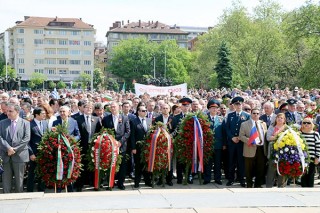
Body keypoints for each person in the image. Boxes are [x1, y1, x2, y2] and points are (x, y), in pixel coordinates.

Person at [0, 103, 31, 193]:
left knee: (19, 180)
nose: (8, 113)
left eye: (10, 111)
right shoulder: (2, 123)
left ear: (17, 111)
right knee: (6, 180)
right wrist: (8, 148)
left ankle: (19, 198)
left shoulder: (25, 123)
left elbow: (26, 139)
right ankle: (6, 198)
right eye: (7, 111)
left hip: (19, 155)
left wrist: (14, 149)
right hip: (5, 155)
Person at [102, 101, 130, 190]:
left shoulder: (124, 118)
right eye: (111, 107)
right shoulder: (106, 119)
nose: (112, 108)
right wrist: (111, 141)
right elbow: (104, 132)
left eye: (114, 107)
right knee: (111, 164)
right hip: (110, 145)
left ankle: (121, 183)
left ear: (119, 108)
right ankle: (111, 182)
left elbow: (128, 132)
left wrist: (120, 142)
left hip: (121, 146)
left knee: (122, 165)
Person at [75, 102, 101, 191]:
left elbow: (99, 133)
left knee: (93, 166)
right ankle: (80, 185)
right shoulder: (78, 119)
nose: (89, 109)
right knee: (81, 166)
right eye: (87, 107)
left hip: (93, 147)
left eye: (91, 107)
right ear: (83, 108)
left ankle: (95, 184)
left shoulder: (96, 119)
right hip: (82, 146)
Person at [225, 96, 250, 187]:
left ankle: (242, 179)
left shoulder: (247, 116)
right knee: (231, 161)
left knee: (241, 162)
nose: (238, 106)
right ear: (234, 106)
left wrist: (240, 137)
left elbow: (248, 129)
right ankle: (231, 179)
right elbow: (227, 128)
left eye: (239, 104)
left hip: (241, 142)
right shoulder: (230, 115)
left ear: (242, 104)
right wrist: (232, 137)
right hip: (232, 142)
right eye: (236, 104)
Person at [239, 108, 267, 188]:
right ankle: (249, 185)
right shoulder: (244, 124)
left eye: (257, 113)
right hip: (249, 148)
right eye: (254, 113)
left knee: (260, 168)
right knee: (249, 169)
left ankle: (258, 185)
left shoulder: (263, 124)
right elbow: (241, 136)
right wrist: (250, 141)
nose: (256, 115)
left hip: (261, 149)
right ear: (251, 114)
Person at [171, 97, 193, 184]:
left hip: (190, 141)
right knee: (179, 160)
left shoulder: (193, 117)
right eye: (184, 105)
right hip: (179, 142)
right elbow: (173, 130)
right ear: (181, 106)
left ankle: (189, 176)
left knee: (189, 160)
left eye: (187, 105)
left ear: (189, 106)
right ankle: (179, 177)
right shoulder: (176, 117)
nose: (185, 107)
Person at [203, 99, 225, 185]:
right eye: (212, 108)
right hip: (207, 145)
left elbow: (224, 133)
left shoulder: (221, 119)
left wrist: (224, 144)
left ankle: (217, 178)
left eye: (216, 108)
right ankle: (207, 178)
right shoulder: (204, 119)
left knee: (218, 163)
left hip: (218, 145)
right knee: (207, 163)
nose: (214, 110)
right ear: (209, 109)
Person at [131, 104, 152, 188]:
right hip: (138, 147)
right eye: (143, 111)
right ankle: (137, 182)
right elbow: (132, 136)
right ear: (138, 112)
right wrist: (133, 148)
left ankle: (147, 181)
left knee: (147, 165)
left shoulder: (149, 120)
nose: (145, 112)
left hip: (148, 147)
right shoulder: (134, 121)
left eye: (146, 111)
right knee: (138, 165)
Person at [27, 107, 48, 192]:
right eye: (42, 113)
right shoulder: (29, 124)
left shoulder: (45, 123)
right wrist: (31, 153)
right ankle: (30, 190)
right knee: (32, 172)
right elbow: (27, 141)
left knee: (42, 171)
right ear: (36, 114)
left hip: (43, 152)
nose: (44, 115)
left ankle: (41, 189)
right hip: (33, 153)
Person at [266, 113, 288, 187]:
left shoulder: (286, 128)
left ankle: (281, 186)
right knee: (271, 168)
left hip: (284, 151)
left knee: (282, 168)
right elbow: (268, 137)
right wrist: (280, 137)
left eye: (281, 118)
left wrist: (274, 136)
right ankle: (269, 186)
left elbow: (289, 138)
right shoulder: (271, 127)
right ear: (275, 119)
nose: (279, 119)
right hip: (273, 150)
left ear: (284, 120)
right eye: (278, 117)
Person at [154, 103, 174, 186]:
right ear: (161, 109)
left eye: (167, 108)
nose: (165, 109)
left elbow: (176, 128)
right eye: (163, 108)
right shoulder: (157, 119)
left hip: (171, 143)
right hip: (161, 143)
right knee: (160, 160)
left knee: (170, 161)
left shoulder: (173, 118)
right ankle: (160, 179)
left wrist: (171, 136)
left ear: (169, 109)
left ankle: (169, 179)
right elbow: (154, 129)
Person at [300, 117, 320, 187]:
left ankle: (310, 189)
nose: (306, 124)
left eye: (308, 123)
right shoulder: (299, 134)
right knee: (303, 175)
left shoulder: (315, 134)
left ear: (311, 124)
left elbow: (318, 146)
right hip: (302, 159)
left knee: (311, 174)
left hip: (312, 158)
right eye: (304, 122)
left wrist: (317, 157)